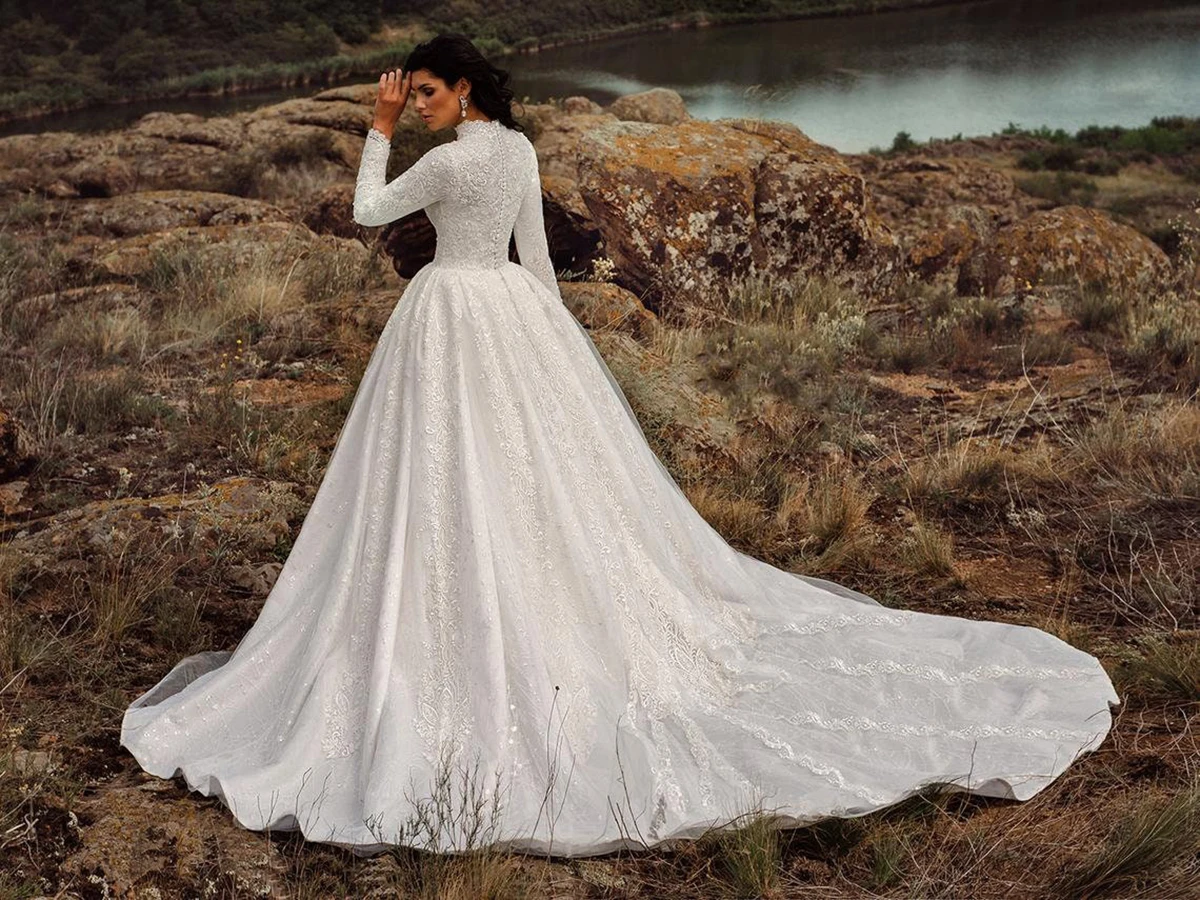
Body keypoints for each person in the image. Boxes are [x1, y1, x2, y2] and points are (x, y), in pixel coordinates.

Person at [121, 33, 1120, 858]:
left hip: (449, 318)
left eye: (426, 89)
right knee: (521, 477)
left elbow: (366, 211)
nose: (415, 101)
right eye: (408, 94)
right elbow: (536, 260)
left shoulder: (448, 156)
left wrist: (376, 131)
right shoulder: (512, 148)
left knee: (439, 478)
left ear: (462, 88)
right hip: (511, 314)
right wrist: (559, 351)